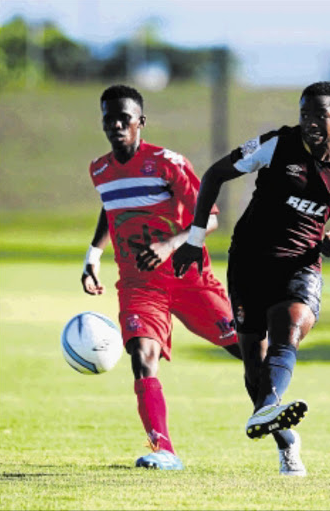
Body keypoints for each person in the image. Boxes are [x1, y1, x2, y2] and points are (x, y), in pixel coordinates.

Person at [173, 81, 330, 476]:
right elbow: (214, 175)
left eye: (320, 114)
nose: (310, 122)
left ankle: (269, 414)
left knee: (290, 327)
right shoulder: (277, 144)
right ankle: (285, 439)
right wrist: (195, 239)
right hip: (249, 260)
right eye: (305, 113)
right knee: (253, 365)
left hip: (301, 263)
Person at [81, 84, 241, 471]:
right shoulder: (99, 169)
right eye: (109, 118)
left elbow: (212, 218)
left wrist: (169, 245)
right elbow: (112, 208)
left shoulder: (168, 163)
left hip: (190, 277)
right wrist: (93, 254)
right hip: (140, 284)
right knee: (142, 354)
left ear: (141, 122)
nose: (117, 125)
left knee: (247, 349)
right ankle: (164, 449)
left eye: (125, 118)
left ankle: (279, 418)